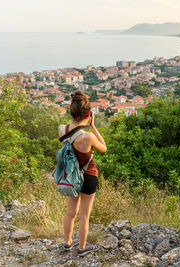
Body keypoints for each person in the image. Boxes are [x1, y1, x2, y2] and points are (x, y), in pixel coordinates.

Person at [58, 90, 107, 256]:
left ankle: (67, 242)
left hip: (70, 175)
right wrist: (93, 126)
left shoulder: (62, 129)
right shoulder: (89, 137)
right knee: (84, 216)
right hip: (88, 176)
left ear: (72, 112)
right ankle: (82, 247)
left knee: (70, 212)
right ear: (89, 114)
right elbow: (104, 148)